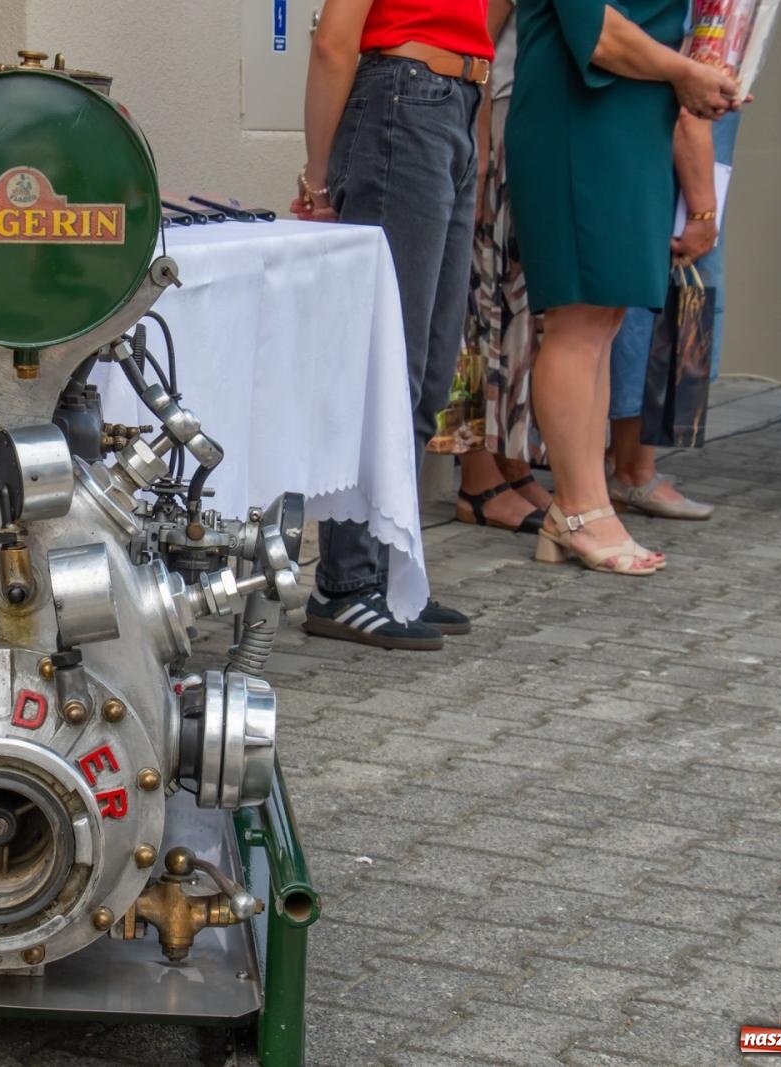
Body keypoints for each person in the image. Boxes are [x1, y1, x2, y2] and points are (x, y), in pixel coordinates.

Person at [505, 0, 737, 575]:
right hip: (578, 119)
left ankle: (587, 504)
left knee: (603, 321)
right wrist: (686, 72)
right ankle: (578, 509)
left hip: (629, 120)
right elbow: (599, 35)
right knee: (577, 322)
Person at [291, 0, 492, 650]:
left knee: (431, 370)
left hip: (454, 103)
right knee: (384, 361)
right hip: (402, 103)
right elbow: (334, 40)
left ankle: (392, 579)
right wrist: (319, 180)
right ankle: (345, 583)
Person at [605, 110, 735, 521]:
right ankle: (632, 467)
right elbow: (686, 109)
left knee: (673, 294)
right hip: (671, 151)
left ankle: (628, 462)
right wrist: (702, 211)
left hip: (691, 151)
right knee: (658, 298)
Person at [454, 0, 552, 536]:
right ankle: (478, 474)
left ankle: (513, 464)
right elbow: (480, 40)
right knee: (482, 304)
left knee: (517, 309)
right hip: (498, 118)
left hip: (524, 117)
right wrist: (483, 143)